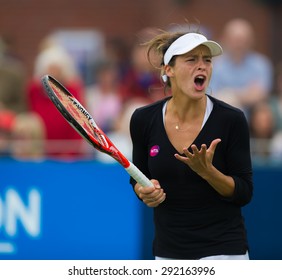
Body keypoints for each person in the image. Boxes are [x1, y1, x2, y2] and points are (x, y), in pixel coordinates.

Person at [129, 31, 253, 260]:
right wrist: (144, 191)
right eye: (191, 59)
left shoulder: (232, 120)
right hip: (168, 254)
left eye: (207, 60)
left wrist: (209, 173)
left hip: (224, 254)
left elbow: (244, 192)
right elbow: (138, 178)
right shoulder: (143, 119)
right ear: (169, 70)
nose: (202, 66)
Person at [209, 18, 273, 119]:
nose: (239, 44)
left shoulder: (261, 64)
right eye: (236, 40)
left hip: (253, 120)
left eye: (243, 40)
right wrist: (246, 94)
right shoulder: (215, 65)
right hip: (221, 117)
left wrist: (230, 95)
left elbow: (261, 94)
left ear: (251, 41)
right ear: (225, 39)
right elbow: (211, 96)